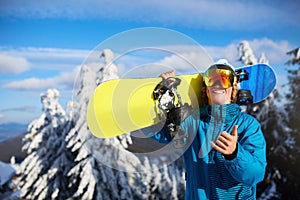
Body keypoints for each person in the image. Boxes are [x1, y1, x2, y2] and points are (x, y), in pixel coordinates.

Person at [153, 59, 267, 199]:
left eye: (224, 79)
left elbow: (255, 175)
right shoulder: (193, 122)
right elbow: (159, 135)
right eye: (212, 79)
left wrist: (235, 154)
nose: (218, 85)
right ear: (206, 89)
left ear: (232, 88)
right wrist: (167, 110)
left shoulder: (248, 125)